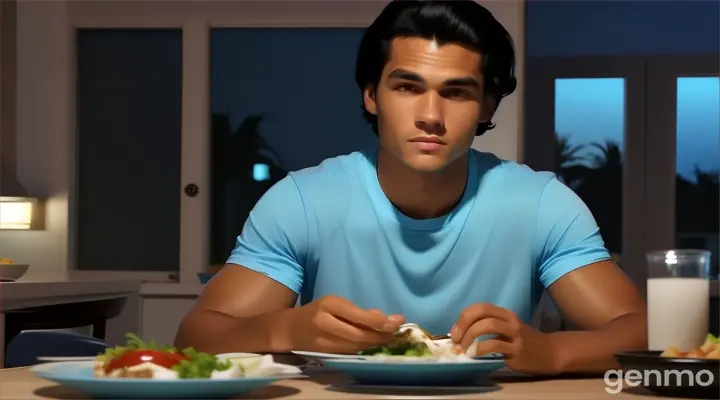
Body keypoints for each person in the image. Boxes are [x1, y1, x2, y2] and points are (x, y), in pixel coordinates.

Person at [175, 0, 646, 375]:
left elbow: (644, 331)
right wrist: (286, 327)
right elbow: (196, 334)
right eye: (407, 87)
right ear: (371, 94)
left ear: (487, 106)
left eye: (457, 92)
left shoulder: (541, 203)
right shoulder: (302, 200)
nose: (430, 116)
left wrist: (551, 352)